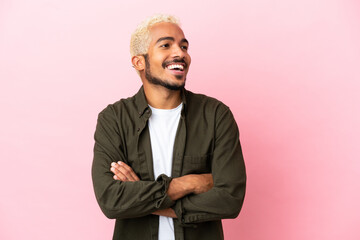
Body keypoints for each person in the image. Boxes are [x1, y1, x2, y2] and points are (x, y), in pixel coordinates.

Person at [91, 14, 246, 240]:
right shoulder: (114, 119)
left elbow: (230, 199)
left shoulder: (215, 115)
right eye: (166, 45)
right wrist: (188, 183)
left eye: (184, 46)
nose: (180, 53)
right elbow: (111, 200)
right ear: (139, 61)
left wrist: (143, 198)